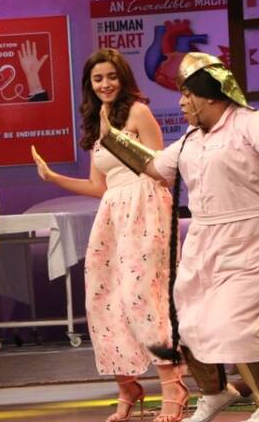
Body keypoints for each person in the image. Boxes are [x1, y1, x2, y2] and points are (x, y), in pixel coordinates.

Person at [98, 52, 259, 422]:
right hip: (207, 236)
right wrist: (112, 139)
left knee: (237, 323)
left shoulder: (250, 122)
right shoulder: (192, 140)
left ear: (210, 96)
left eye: (187, 94)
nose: (181, 102)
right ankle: (215, 392)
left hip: (258, 233)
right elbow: (154, 167)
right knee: (186, 321)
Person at [31, 48, 188, 422]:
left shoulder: (138, 112)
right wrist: (53, 177)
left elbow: (161, 170)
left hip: (146, 205)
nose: (105, 84)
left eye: (111, 76)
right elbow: (98, 185)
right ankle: (127, 385)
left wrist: (116, 138)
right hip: (113, 212)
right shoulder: (95, 122)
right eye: (98, 78)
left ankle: (173, 385)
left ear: (123, 78)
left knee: (143, 297)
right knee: (104, 299)